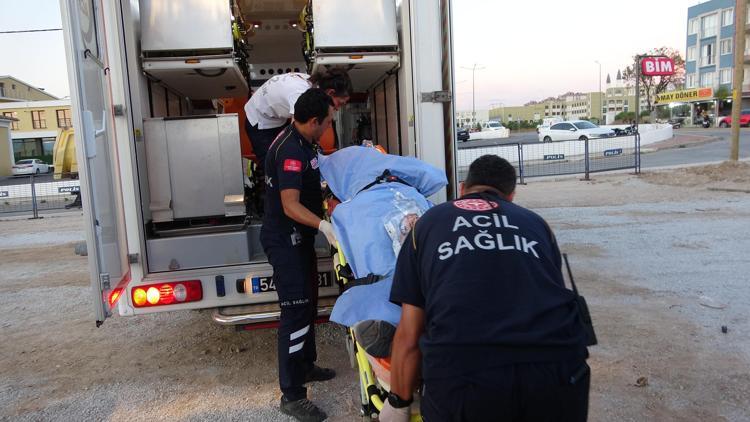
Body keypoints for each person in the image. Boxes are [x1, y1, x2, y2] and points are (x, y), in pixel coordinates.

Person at [380, 155, 591, 422]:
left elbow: (410, 334)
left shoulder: (426, 226)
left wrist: (398, 402)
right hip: (558, 374)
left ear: (462, 189)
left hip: (463, 382)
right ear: (511, 196)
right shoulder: (537, 225)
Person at [261, 88, 340, 422]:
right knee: (294, 313)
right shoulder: (290, 149)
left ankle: (305, 366)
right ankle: (292, 396)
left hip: (299, 240)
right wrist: (323, 225)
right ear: (314, 121)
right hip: (285, 241)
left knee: (308, 305)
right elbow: (289, 205)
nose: (329, 127)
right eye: (328, 122)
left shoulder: (305, 142)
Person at [244, 69, 352, 165]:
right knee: (272, 164)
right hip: (258, 120)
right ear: (330, 92)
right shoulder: (300, 92)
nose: (337, 108)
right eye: (340, 103)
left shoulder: (311, 84)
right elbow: (297, 133)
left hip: (276, 117)